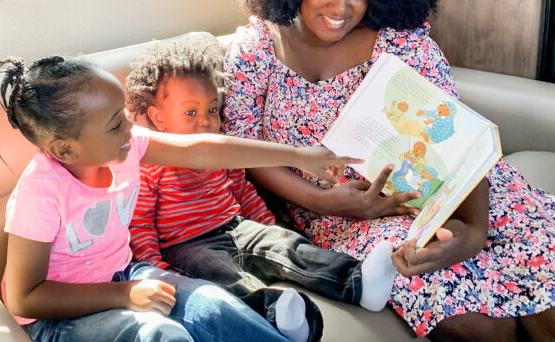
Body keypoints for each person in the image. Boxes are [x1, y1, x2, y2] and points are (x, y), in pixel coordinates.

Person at [222, 0, 555, 342]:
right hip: (347, 217)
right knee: (480, 329)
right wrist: (324, 200)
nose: (341, 8)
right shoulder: (255, 51)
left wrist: (474, 231)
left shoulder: (400, 42)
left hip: (463, 194)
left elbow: (458, 141)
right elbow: (249, 154)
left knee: (554, 304)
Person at [0, 55, 358, 342]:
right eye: (116, 124)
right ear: (65, 150)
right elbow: (24, 298)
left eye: (125, 115)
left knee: (213, 303)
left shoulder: (125, 146)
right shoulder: (40, 193)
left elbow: (203, 151)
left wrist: (298, 155)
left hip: (123, 274)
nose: (131, 127)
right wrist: (123, 294)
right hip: (59, 319)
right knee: (165, 337)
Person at [125, 36, 399, 325]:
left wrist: (269, 228)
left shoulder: (223, 150)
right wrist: (157, 270)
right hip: (188, 246)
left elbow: (243, 191)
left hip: (236, 227)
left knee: (288, 246)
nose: (205, 121)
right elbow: (141, 224)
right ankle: (276, 314)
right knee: (224, 276)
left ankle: (359, 283)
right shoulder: (150, 167)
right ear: (158, 118)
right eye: (190, 112)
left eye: (211, 109)